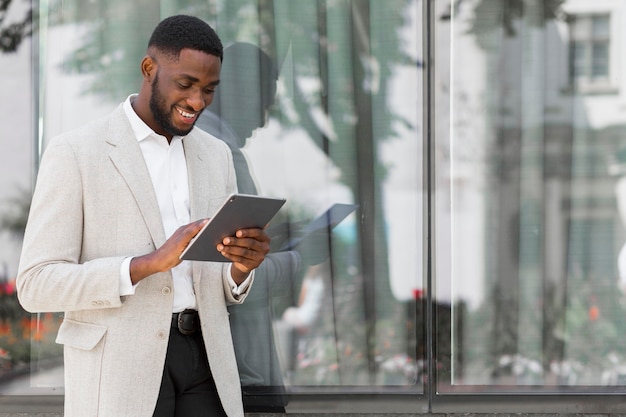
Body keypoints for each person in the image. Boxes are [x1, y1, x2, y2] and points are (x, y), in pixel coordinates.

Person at [16, 15, 270, 417]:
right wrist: (144, 265)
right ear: (149, 69)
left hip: (207, 361)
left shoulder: (216, 154)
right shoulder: (77, 152)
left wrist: (240, 267)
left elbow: (215, 282)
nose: (197, 102)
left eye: (209, 90)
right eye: (185, 85)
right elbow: (35, 284)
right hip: (120, 368)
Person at [196, 42, 297, 413]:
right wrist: (299, 260)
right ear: (240, 92)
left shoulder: (199, 145)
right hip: (241, 371)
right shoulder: (220, 152)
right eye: (264, 103)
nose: (264, 120)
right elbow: (233, 277)